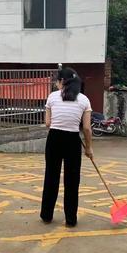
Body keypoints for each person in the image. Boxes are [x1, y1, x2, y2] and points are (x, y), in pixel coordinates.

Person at [40, 67, 93, 228]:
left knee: (51, 177)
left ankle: (47, 215)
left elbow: (48, 123)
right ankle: (70, 219)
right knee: (72, 180)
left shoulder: (52, 97)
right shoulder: (84, 99)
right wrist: (88, 148)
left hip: (54, 138)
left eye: (57, 80)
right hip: (72, 140)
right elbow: (86, 128)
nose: (56, 83)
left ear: (62, 82)